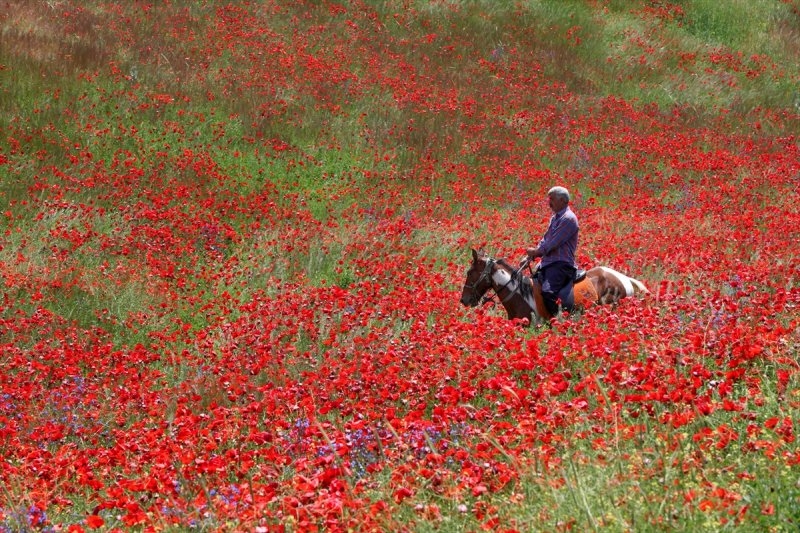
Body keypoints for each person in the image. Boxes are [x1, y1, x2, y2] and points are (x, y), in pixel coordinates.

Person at [525, 186, 579, 317]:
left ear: (562, 200)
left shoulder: (568, 218)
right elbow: (545, 239)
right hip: (548, 263)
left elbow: (553, 244)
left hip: (560, 264)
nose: (549, 203)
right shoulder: (555, 218)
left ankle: (560, 321)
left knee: (548, 292)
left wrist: (537, 252)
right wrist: (530, 256)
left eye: (552, 199)